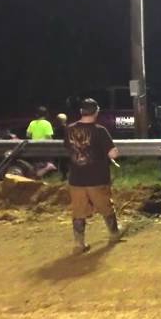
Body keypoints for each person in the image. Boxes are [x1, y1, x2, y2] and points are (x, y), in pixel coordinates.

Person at [64, 98, 121, 254]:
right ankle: (114, 234)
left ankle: (79, 243)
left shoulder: (69, 129)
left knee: (78, 212)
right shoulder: (100, 130)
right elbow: (113, 153)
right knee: (106, 207)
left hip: (76, 178)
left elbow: (68, 149)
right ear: (96, 111)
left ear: (81, 111)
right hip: (97, 177)